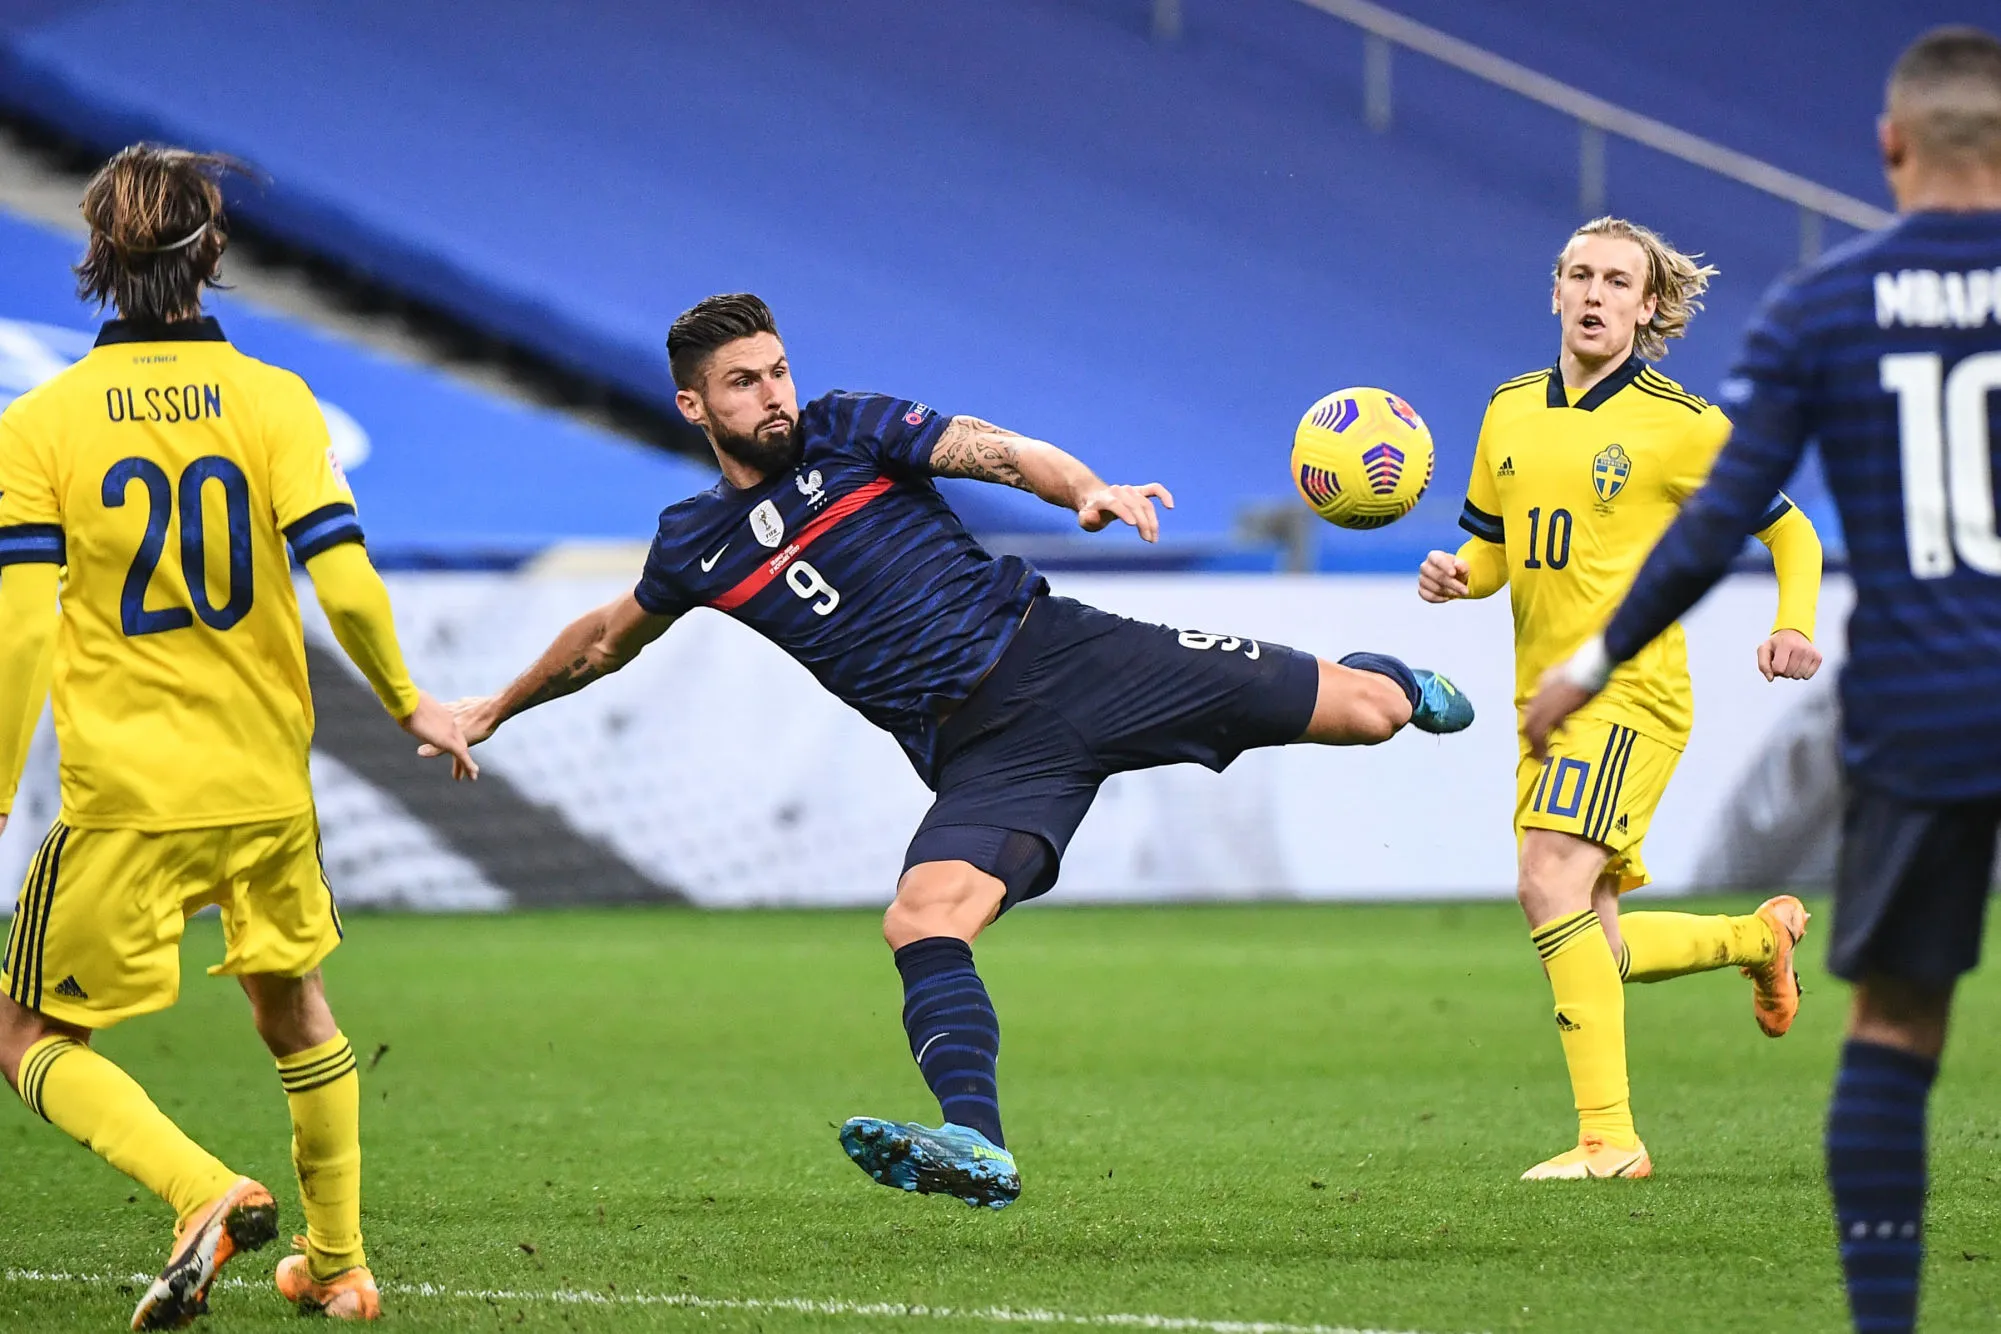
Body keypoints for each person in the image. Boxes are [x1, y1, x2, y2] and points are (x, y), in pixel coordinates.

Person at [437, 291, 1474, 1209]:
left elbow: (990, 447)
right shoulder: (694, 545)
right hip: (981, 756)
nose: (774, 394)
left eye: (778, 369)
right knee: (921, 916)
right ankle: (976, 1138)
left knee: (1371, 714)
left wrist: (1082, 487)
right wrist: (495, 704)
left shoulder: (847, 428)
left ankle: (1385, 671)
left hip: (1067, 657)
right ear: (695, 407)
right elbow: (605, 640)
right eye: (744, 383)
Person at [1524, 28, 2001, 1330]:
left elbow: (1720, 520)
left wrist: (1594, 658)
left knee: (1895, 1032)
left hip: (1922, 708)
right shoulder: (1528, 412)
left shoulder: (1823, 305)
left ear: (1890, 147)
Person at [0, 145, 476, 1326]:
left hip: (131, 793)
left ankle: (200, 1188)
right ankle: (339, 1263)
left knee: (21, 1029)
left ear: (98, 261)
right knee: (293, 1002)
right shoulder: (274, 400)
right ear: (211, 253)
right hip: (268, 782)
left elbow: (17, 634)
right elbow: (348, 582)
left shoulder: (41, 424)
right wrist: (410, 699)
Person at [1418, 216, 1826, 1181]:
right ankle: (1756, 938)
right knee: (1591, 933)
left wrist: (1794, 623)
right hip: (1543, 703)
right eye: (1579, 276)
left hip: (1629, 694)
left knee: (1544, 882)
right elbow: (1495, 549)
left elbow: (1790, 529)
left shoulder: (1682, 426)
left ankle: (1609, 1140)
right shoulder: (1508, 410)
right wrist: (1456, 575)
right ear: (1554, 291)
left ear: (1647, 309)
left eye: (1616, 282)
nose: (1595, 294)